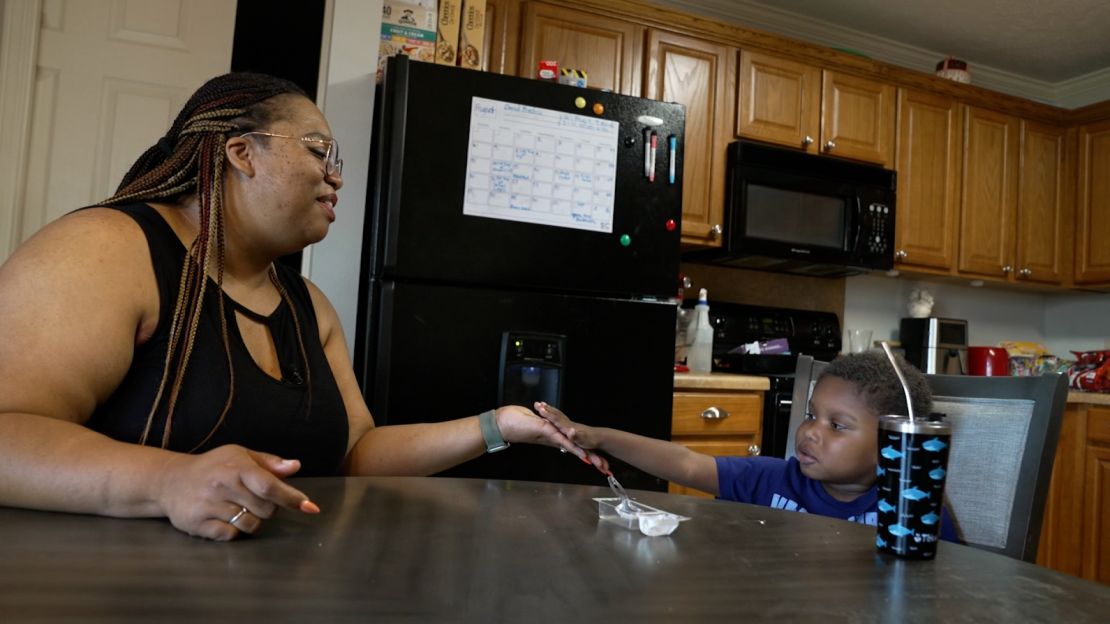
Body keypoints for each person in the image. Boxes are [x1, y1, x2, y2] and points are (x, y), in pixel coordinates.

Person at [0, 72, 597, 541]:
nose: (336, 179)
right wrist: (167, 481)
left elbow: (354, 455)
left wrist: (498, 426)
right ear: (241, 152)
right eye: (319, 152)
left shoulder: (308, 304)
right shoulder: (106, 248)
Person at [537, 351, 958, 541]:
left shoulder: (914, 510)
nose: (810, 431)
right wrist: (599, 436)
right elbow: (684, 464)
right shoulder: (772, 481)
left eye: (838, 426)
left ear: (894, 444)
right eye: (811, 414)